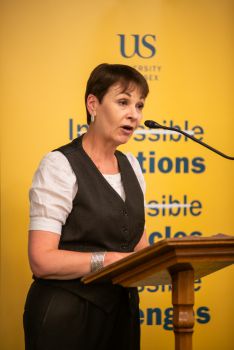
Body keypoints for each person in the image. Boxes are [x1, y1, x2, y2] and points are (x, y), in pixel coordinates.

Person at [23, 63, 149, 350]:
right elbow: (41, 260)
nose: (134, 114)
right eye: (123, 102)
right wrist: (107, 261)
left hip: (122, 315)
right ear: (93, 103)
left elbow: (138, 245)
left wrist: (173, 261)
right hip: (66, 317)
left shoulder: (132, 166)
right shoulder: (59, 165)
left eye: (139, 105)